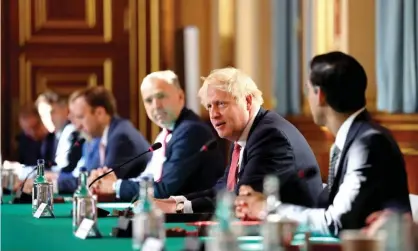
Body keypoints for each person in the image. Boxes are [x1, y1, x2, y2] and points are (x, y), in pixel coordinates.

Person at [235, 51, 411, 236]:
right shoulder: (355, 138)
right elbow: (326, 209)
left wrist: (268, 208)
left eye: (308, 90)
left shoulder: (367, 142)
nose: (308, 98)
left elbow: (335, 222)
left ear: (320, 95)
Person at [154, 67, 323, 213]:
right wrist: (174, 202)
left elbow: (240, 198)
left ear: (247, 101)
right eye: (209, 106)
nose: (213, 114)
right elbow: (223, 190)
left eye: (221, 104)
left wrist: (179, 208)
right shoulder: (243, 136)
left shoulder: (270, 137)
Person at [94, 71, 225, 201]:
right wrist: (111, 182)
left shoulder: (191, 131)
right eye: (149, 100)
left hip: (192, 217)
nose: (156, 105)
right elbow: (149, 178)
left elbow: (165, 190)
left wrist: (115, 186)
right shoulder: (166, 133)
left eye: (161, 96)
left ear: (180, 97)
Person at [69, 86, 151, 196]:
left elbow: (101, 182)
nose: (78, 126)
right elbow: (91, 173)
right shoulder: (100, 137)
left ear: (100, 113)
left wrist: (56, 182)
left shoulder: (121, 137)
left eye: (81, 117)